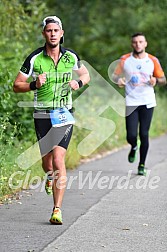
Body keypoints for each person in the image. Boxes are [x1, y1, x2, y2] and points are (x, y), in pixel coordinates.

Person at [13, 16, 90, 224]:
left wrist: (78, 82)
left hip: (63, 113)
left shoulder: (71, 57)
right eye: (49, 31)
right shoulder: (34, 58)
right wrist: (33, 85)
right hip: (42, 114)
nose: (53, 34)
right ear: (44, 34)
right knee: (47, 163)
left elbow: (86, 75)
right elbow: (16, 85)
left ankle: (57, 209)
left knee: (58, 160)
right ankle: (49, 177)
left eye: (56, 30)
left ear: (62, 33)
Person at [113, 32, 166, 175]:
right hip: (131, 102)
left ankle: (142, 165)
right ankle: (133, 146)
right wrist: (119, 81)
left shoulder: (152, 60)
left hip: (147, 102)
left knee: (144, 133)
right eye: (135, 42)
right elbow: (115, 76)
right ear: (132, 44)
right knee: (131, 135)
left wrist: (156, 80)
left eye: (140, 42)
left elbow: (163, 80)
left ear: (145, 43)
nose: (138, 44)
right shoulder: (125, 60)